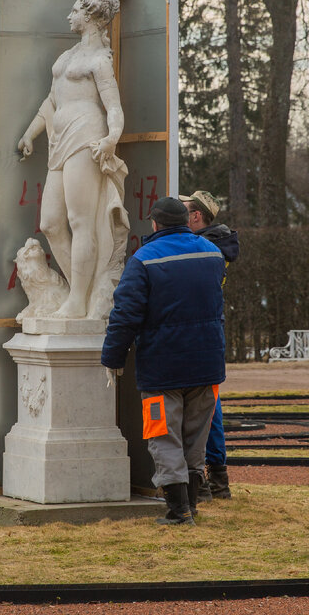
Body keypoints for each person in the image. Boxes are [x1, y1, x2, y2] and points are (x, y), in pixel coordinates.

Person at [100, 198, 226, 526]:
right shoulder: (212, 254)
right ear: (186, 220)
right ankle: (193, 503)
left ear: (155, 224)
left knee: (163, 436)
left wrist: (112, 357)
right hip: (206, 365)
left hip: (162, 368)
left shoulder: (143, 260)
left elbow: (125, 314)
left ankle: (178, 511)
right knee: (195, 438)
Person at [17, 0, 129, 320]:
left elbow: (114, 107)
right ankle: (85, 291)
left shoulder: (99, 59)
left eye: (76, 10)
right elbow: (51, 101)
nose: (70, 16)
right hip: (59, 139)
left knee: (81, 222)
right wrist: (29, 133)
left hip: (86, 136)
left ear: (93, 15)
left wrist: (111, 138)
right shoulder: (66, 57)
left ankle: (79, 301)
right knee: (51, 222)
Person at [181, 190, 239, 500]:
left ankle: (209, 482)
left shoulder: (208, 249)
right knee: (208, 408)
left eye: (185, 210)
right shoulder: (216, 246)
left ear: (196, 216)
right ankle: (214, 481)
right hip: (206, 335)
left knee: (209, 410)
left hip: (199, 336)